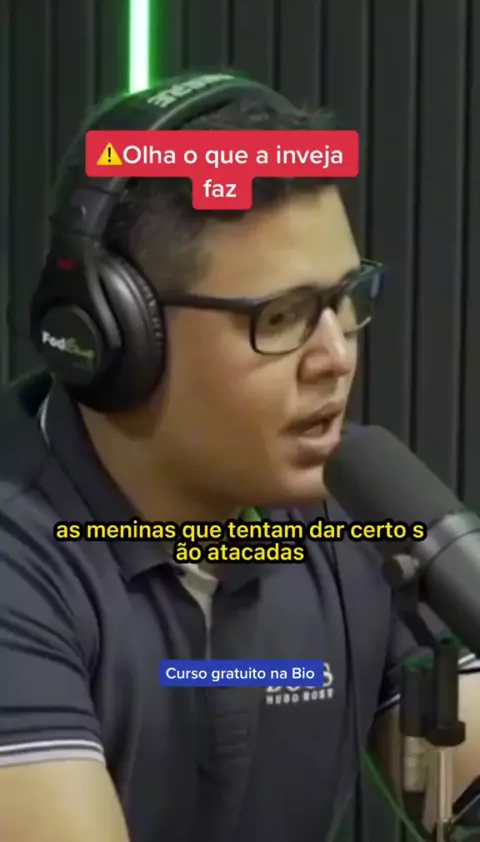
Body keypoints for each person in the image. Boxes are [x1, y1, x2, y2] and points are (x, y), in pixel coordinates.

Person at [0, 72, 479, 842]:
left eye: (346, 299)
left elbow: (462, 779)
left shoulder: (354, 514)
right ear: (116, 336)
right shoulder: (17, 558)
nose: (336, 356)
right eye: (281, 316)